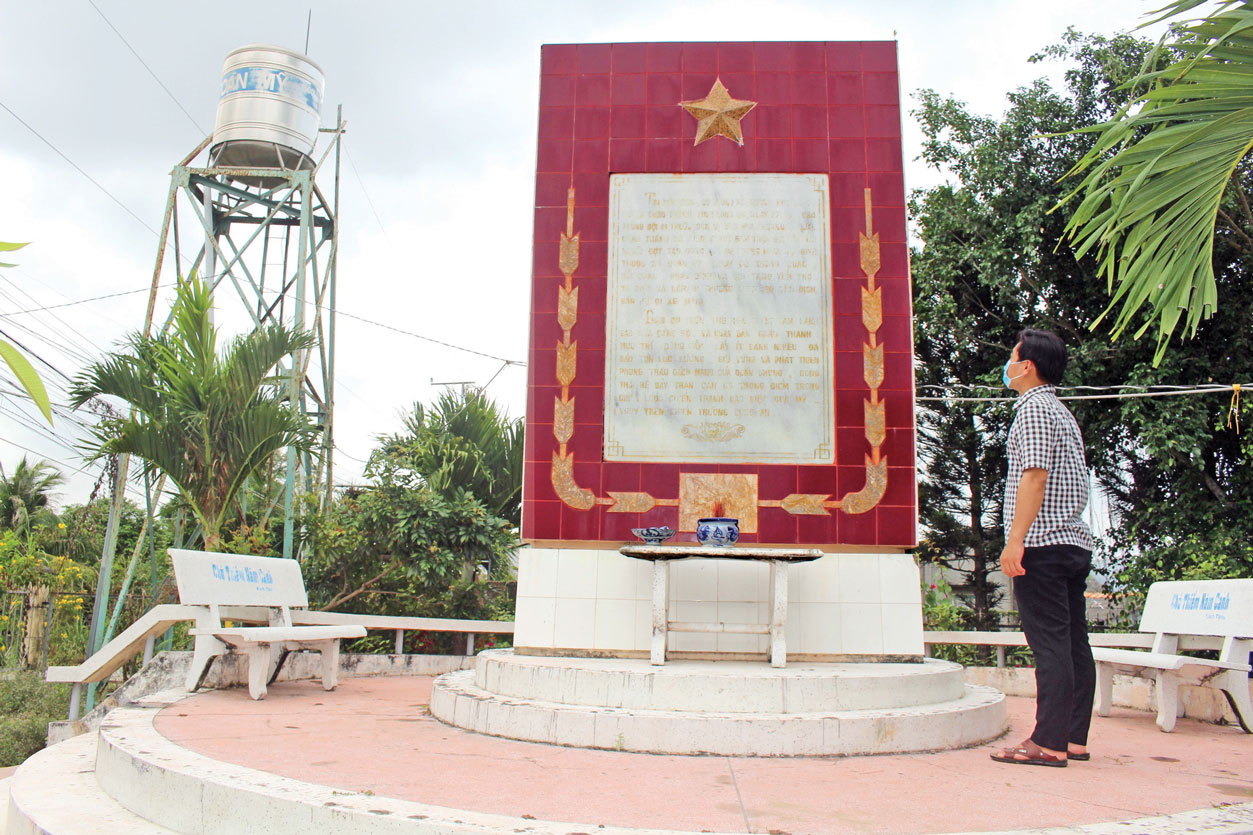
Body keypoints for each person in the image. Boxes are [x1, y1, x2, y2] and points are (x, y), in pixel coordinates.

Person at [991, 328, 1095, 768]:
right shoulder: (1062, 412)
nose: (1008, 366)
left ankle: (1048, 742)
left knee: (1050, 645)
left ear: (1026, 365)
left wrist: (1015, 541)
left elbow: (1034, 475)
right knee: (1073, 644)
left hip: (1043, 544)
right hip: (1071, 542)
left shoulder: (1032, 410)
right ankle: (1072, 738)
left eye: (1013, 358)